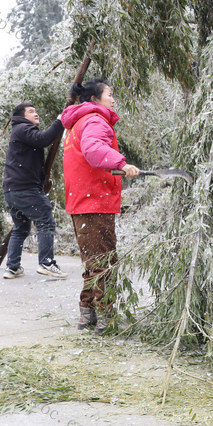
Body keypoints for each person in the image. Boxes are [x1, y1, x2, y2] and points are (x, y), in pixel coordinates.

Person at [60, 79, 140, 331]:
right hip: (95, 202)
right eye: (109, 94)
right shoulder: (94, 120)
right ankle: (106, 318)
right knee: (104, 262)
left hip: (82, 202)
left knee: (93, 262)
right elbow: (94, 150)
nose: (113, 99)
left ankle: (88, 314)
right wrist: (121, 164)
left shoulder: (77, 123)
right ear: (94, 100)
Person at [1, 101, 68, 280]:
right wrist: (59, 121)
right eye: (31, 112)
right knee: (46, 220)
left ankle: (12, 267)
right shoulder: (23, 128)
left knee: (21, 228)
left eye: (36, 111)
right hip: (24, 188)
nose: (35, 114)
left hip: (12, 190)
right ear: (22, 116)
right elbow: (43, 140)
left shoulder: (20, 131)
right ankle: (47, 263)